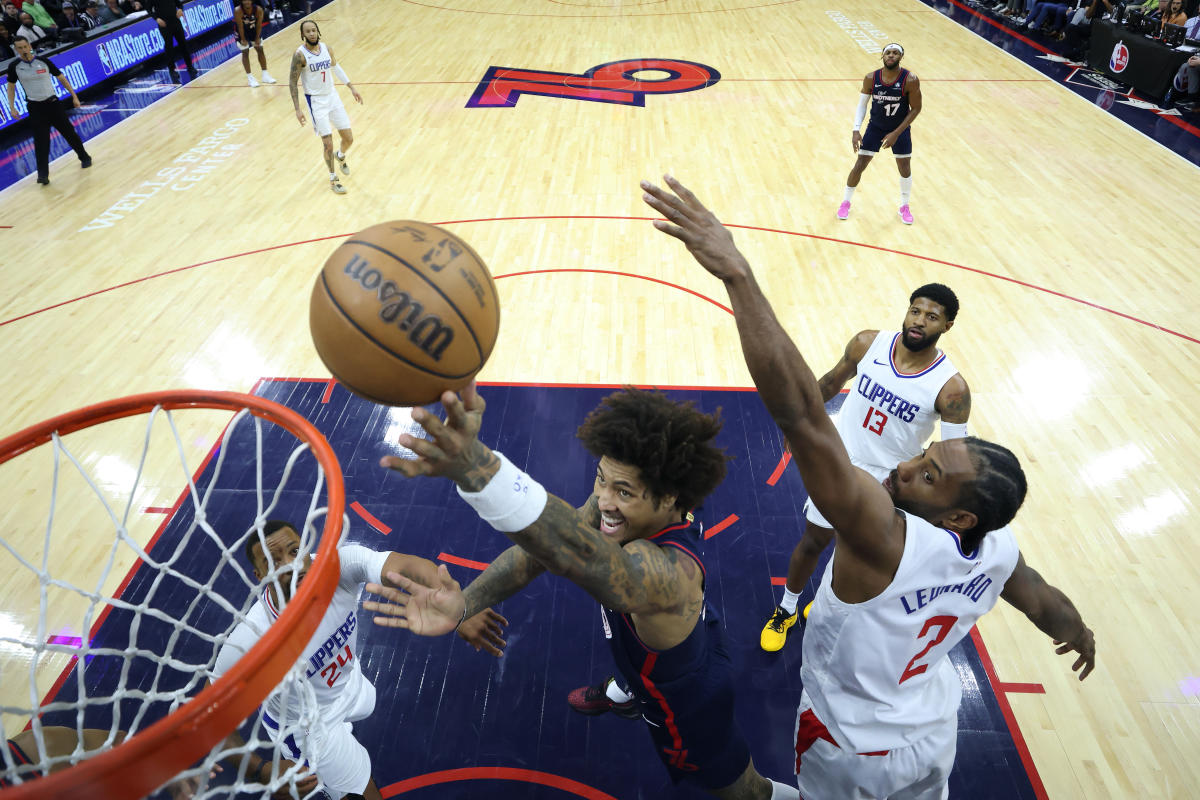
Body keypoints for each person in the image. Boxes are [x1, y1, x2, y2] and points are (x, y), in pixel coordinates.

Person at [642, 174, 1095, 799]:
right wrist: (1079, 632)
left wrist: (739, 276)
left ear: (958, 517)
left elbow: (800, 412)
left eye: (928, 475)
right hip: (933, 732)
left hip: (849, 745)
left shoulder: (879, 533)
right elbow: (1047, 605)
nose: (909, 468)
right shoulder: (999, 552)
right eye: (924, 458)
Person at [363, 388, 800, 800]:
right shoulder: (642, 504)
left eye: (622, 491)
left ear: (668, 499)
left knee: (741, 790)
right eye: (601, 479)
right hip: (677, 641)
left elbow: (572, 550)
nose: (603, 501)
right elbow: (538, 555)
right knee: (638, 651)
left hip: (685, 703)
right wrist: (466, 604)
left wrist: (479, 470)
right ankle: (627, 686)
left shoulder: (666, 577)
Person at [210, 520, 508, 800]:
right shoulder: (249, 640)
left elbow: (404, 566)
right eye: (274, 562)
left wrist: (459, 606)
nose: (291, 564)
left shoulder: (339, 567)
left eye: (294, 550)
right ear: (260, 577)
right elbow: (210, 718)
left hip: (348, 685)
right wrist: (263, 772)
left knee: (368, 703)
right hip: (310, 727)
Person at [758, 284, 971, 652]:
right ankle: (786, 609)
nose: (919, 321)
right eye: (915, 311)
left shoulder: (951, 389)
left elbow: (952, 457)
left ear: (947, 326)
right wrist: (796, 422)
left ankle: (830, 603)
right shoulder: (868, 343)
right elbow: (826, 384)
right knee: (813, 541)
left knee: (862, 556)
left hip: (891, 481)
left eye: (931, 317)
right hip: (841, 463)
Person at [838, 43, 922, 225]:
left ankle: (904, 206)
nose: (891, 55)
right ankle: (845, 202)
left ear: (901, 57)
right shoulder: (871, 78)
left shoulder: (910, 79)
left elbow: (916, 108)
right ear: (882, 56)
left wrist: (896, 133)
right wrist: (855, 130)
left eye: (895, 53)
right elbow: (862, 105)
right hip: (875, 127)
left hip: (900, 129)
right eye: (888, 53)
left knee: (904, 167)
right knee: (860, 164)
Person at [6, 35, 92, 185]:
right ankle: (43, 174)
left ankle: (84, 157)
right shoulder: (14, 66)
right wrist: (12, 107)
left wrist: (74, 96)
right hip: (35, 108)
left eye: (25, 47)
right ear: (16, 50)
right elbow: (11, 87)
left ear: (30, 46)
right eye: (19, 48)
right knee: (41, 142)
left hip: (53, 104)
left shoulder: (43, 61)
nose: (23, 50)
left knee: (69, 133)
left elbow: (61, 77)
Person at [289, 19, 361, 195]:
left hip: (333, 97)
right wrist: (298, 109)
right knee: (327, 144)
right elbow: (292, 82)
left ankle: (341, 156)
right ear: (302, 35)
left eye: (314, 30)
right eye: (308, 31)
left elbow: (336, 68)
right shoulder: (300, 55)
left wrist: (351, 87)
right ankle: (333, 179)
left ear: (318, 32)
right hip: (316, 102)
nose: (311, 33)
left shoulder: (327, 49)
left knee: (349, 139)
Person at [145, 0, 195, 83]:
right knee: (169, 47)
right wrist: (157, 19)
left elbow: (179, 4)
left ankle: (190, 66)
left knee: (183, 44)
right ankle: (172, 70)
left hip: (175, 21)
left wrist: (180, 9)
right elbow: (148, 9)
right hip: (164, 24)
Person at [234, 0, 275, 88]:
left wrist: (257, 38)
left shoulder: (258, 9)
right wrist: (243, 39)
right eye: (244, 0)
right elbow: (240, 27)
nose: (247, 2)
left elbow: (259, 25)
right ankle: (250, 78)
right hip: (241, 32)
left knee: (260, 49)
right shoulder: (238, 10)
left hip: (253, 29)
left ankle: (265, 75)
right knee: (245, 52)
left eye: (248, 0)